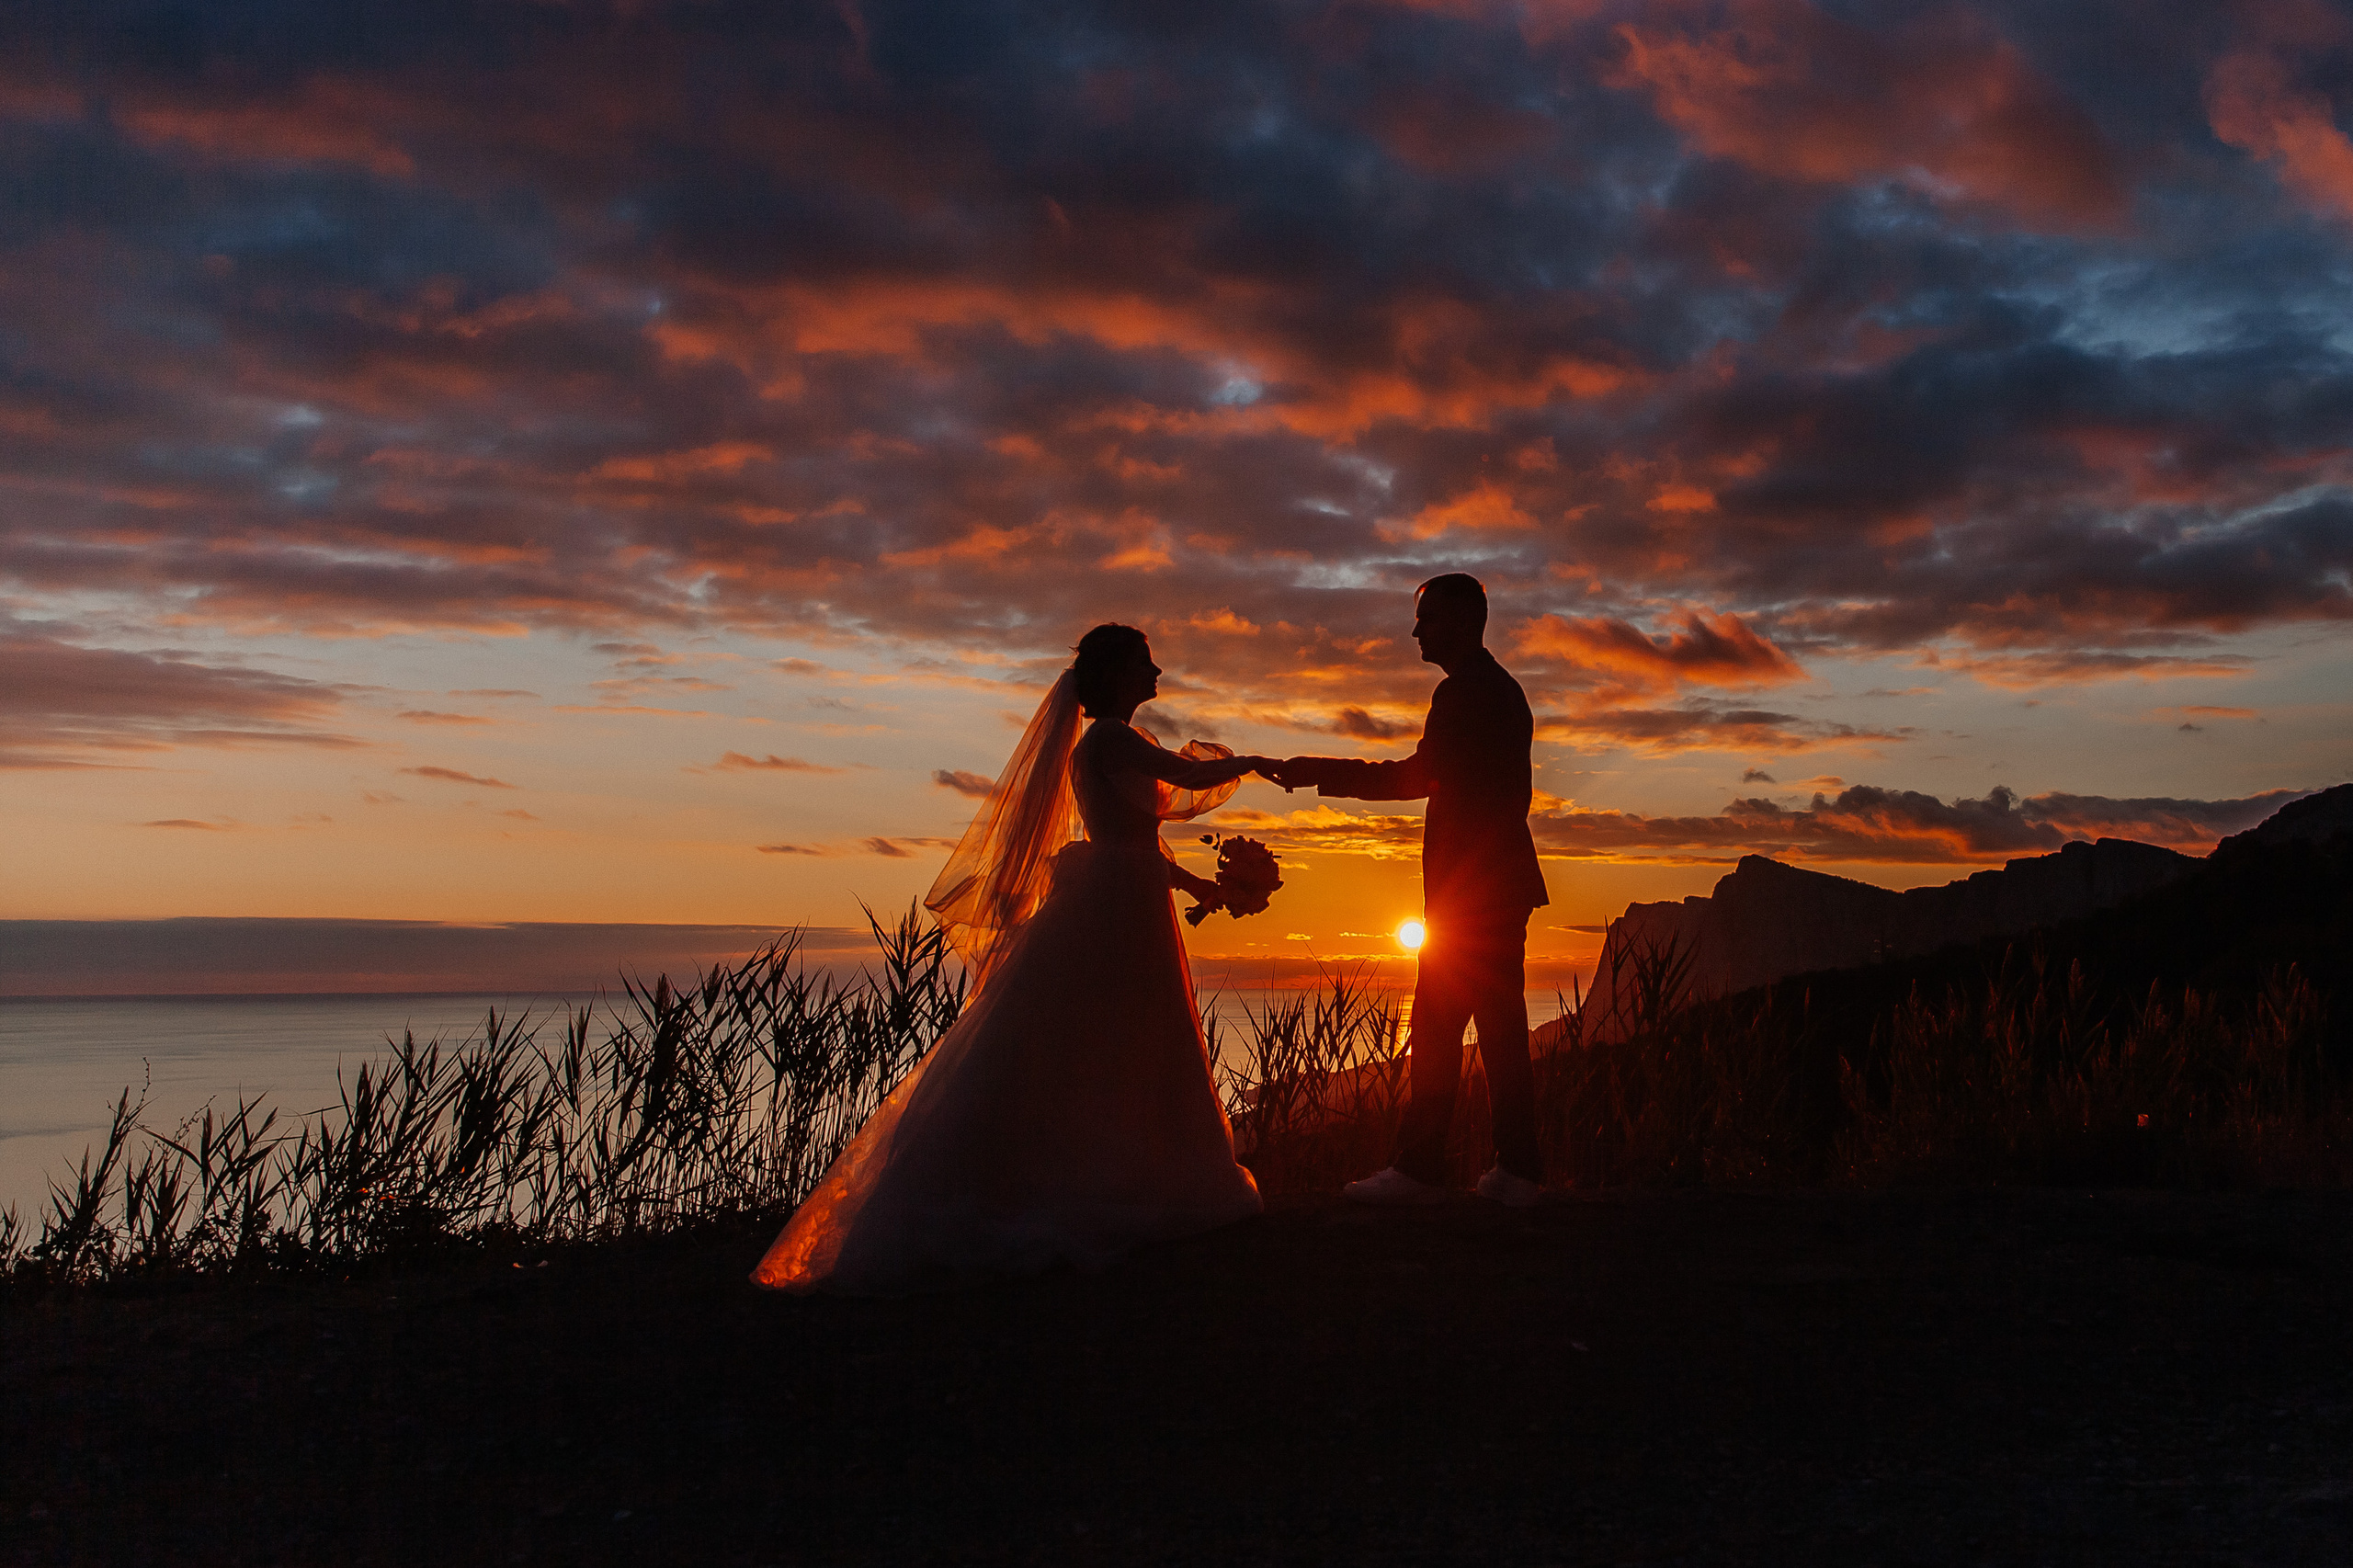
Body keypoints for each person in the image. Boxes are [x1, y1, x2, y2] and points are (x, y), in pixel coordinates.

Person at [753, 624, 1278, 1293]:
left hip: (1127, 896)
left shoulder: (1117, 742)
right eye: (1147, 664)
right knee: (1118, 1035)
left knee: (1129, 1038)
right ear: (1119, 673)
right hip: (1115, 909)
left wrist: (1202, 884)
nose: (1158, 673)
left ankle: (1127, 1174)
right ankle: (1104, 1186)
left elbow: (1137, 838)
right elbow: (1188, 776)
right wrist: (1256, 764)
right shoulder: (1111, 738)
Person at [1267, 574, 1549, 1207]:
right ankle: (1520, 1171)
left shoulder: (1463, 693)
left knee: (1440, 1027)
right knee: (1499, 1031)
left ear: (1459, 621)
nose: (1416, 631)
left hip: (1473, 891)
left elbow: (1417, 777)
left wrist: (1320, 772)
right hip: (1500, 883)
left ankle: (1421, 1171)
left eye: (1426, 619)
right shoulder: (1500, 690)